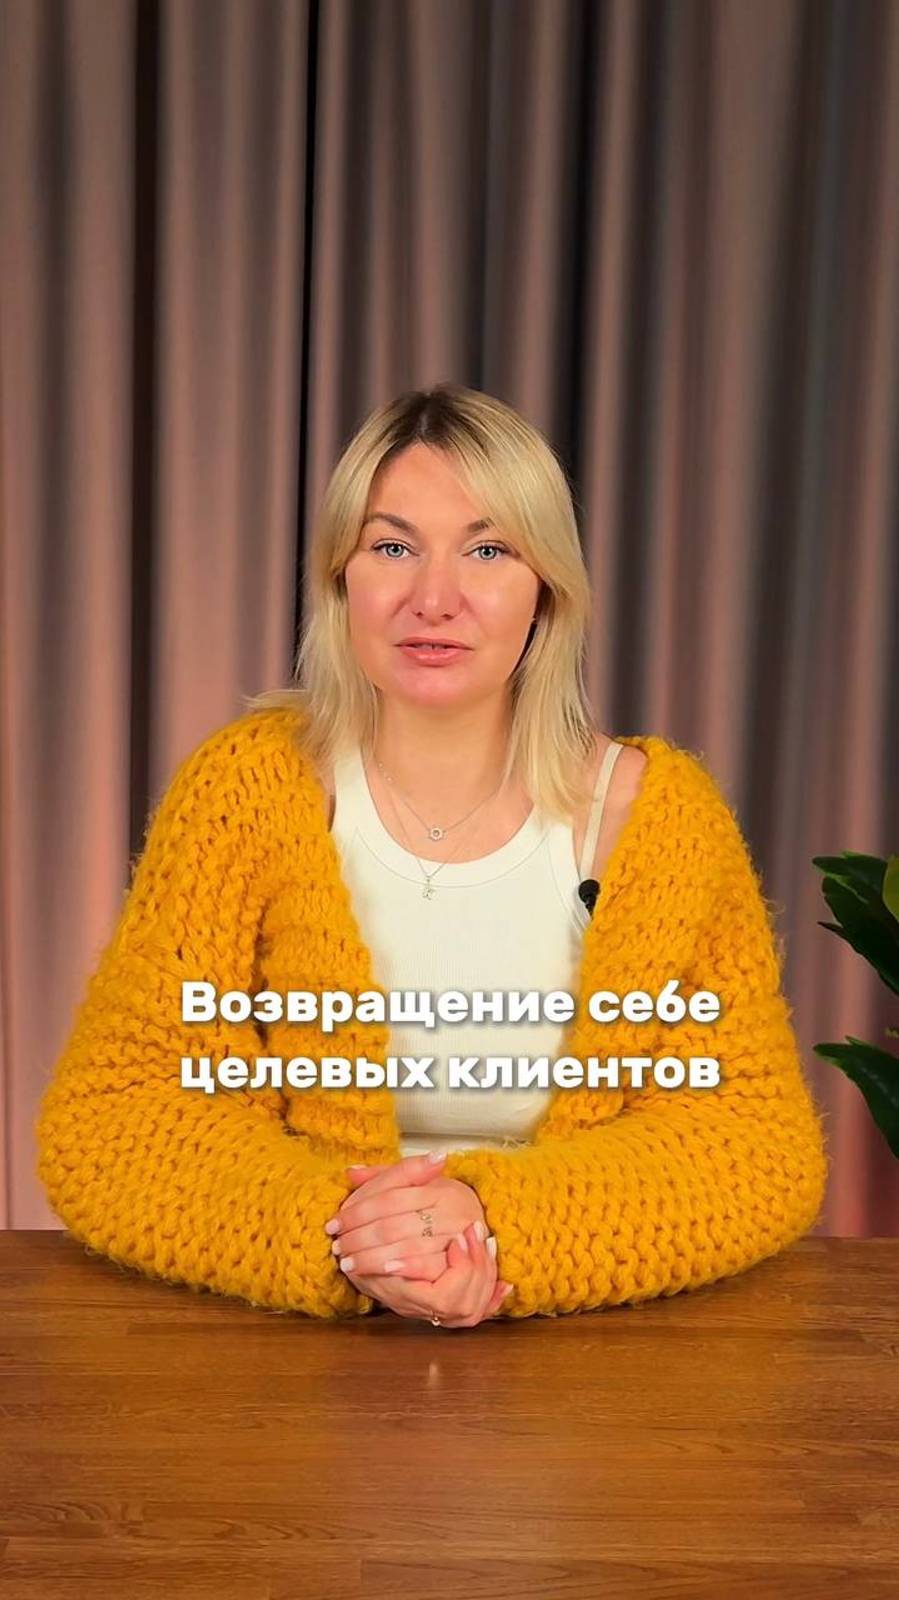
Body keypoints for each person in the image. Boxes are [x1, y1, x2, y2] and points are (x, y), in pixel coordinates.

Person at [35, 383, 829, 1329]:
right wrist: (346, 1239)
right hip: (282, 1342)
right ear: (341, 578)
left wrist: (495, 1230)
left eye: (488, 551)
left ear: (545, 588)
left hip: (587, 1348)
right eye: (392, 547)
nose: (433, 599)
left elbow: (750, 1141)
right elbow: (116, 1115)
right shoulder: (244, 791)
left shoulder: (657, 820)